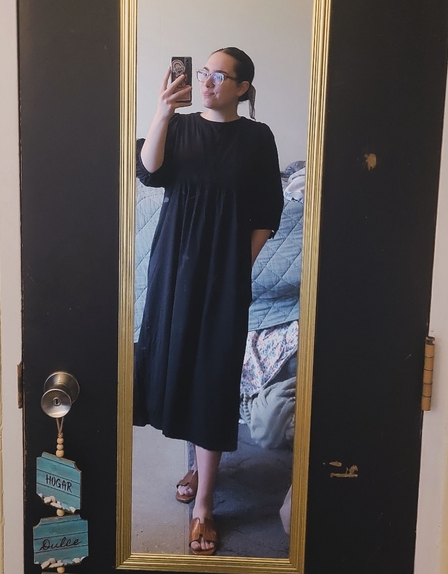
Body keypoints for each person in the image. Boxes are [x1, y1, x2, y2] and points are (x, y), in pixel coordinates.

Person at [134, 47, 283, 555]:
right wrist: (162, 111)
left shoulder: (257, 137)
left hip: (226, 272)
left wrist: (240, 264)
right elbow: (149, 171)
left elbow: (268, 210)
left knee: (214, 375)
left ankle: (203, 506)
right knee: (178, 363)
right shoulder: (177, 126)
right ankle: (196, 468)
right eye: (204, 73)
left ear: (242, 87)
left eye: (220, 76)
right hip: (173, 266)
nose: (207, 82)